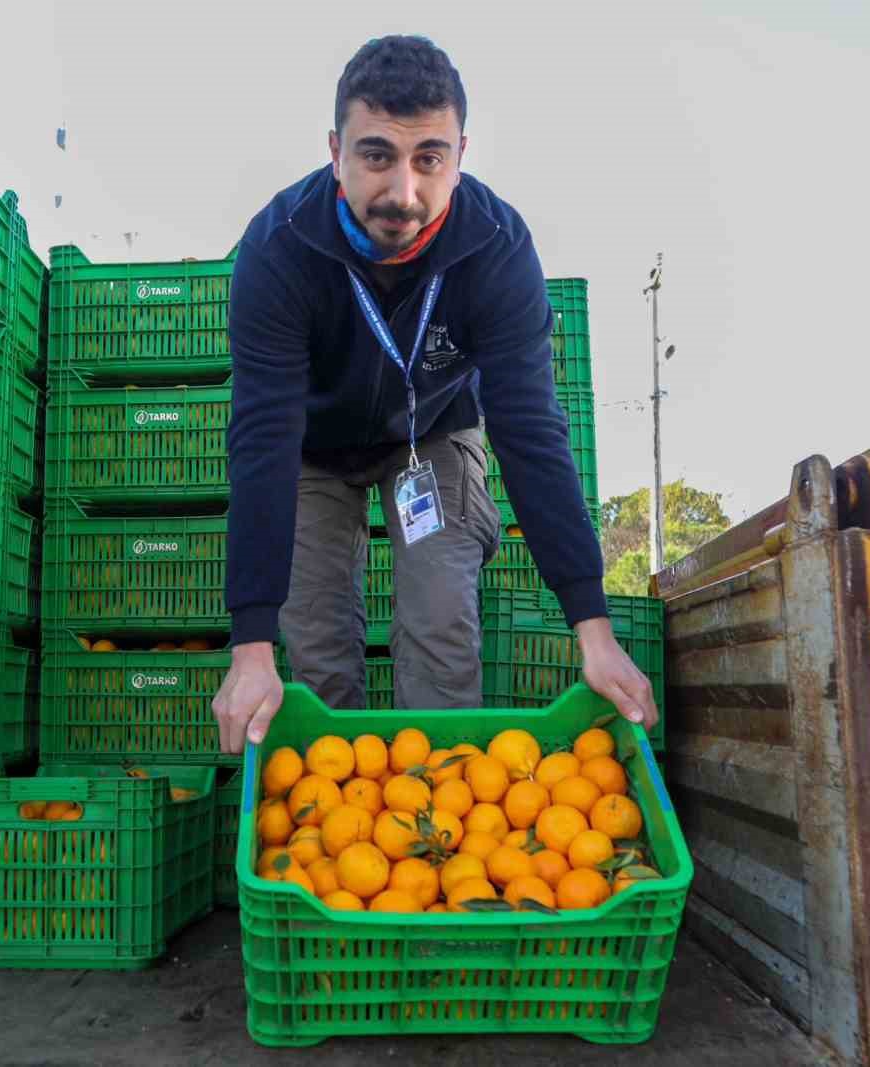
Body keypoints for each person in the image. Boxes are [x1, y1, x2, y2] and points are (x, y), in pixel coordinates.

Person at [213, 35, 658, 753]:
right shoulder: (278, 247)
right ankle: (343, 827)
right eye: (376, 155)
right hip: (311, 449)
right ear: (335, 151)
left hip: (434, 433)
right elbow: (262, 436)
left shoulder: (497, 248)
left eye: (430, 159)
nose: (404, 193)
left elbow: (531, 432)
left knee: (439, 618)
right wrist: (250, 645)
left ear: (460, 153)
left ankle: (441, 816)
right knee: (316, 647)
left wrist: (593, 626)